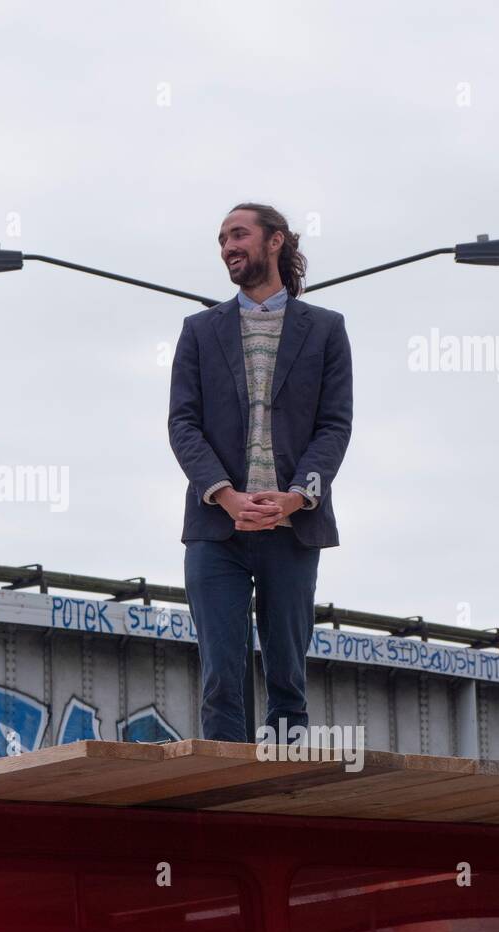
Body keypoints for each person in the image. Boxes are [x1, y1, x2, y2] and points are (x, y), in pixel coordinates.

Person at [168, 202, 353, 744]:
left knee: (288, 680)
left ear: (275, 241)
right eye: (222, 238)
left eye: (239, 234)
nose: (228, 246)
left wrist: (298, 498)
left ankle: (282, 793)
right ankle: (226, 792)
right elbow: (183, 424)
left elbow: (335, 426)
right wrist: (224, 495)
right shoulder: (200, 331)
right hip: (216, 530)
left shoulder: (325, 330)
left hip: (293, 528)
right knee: (220, 677)